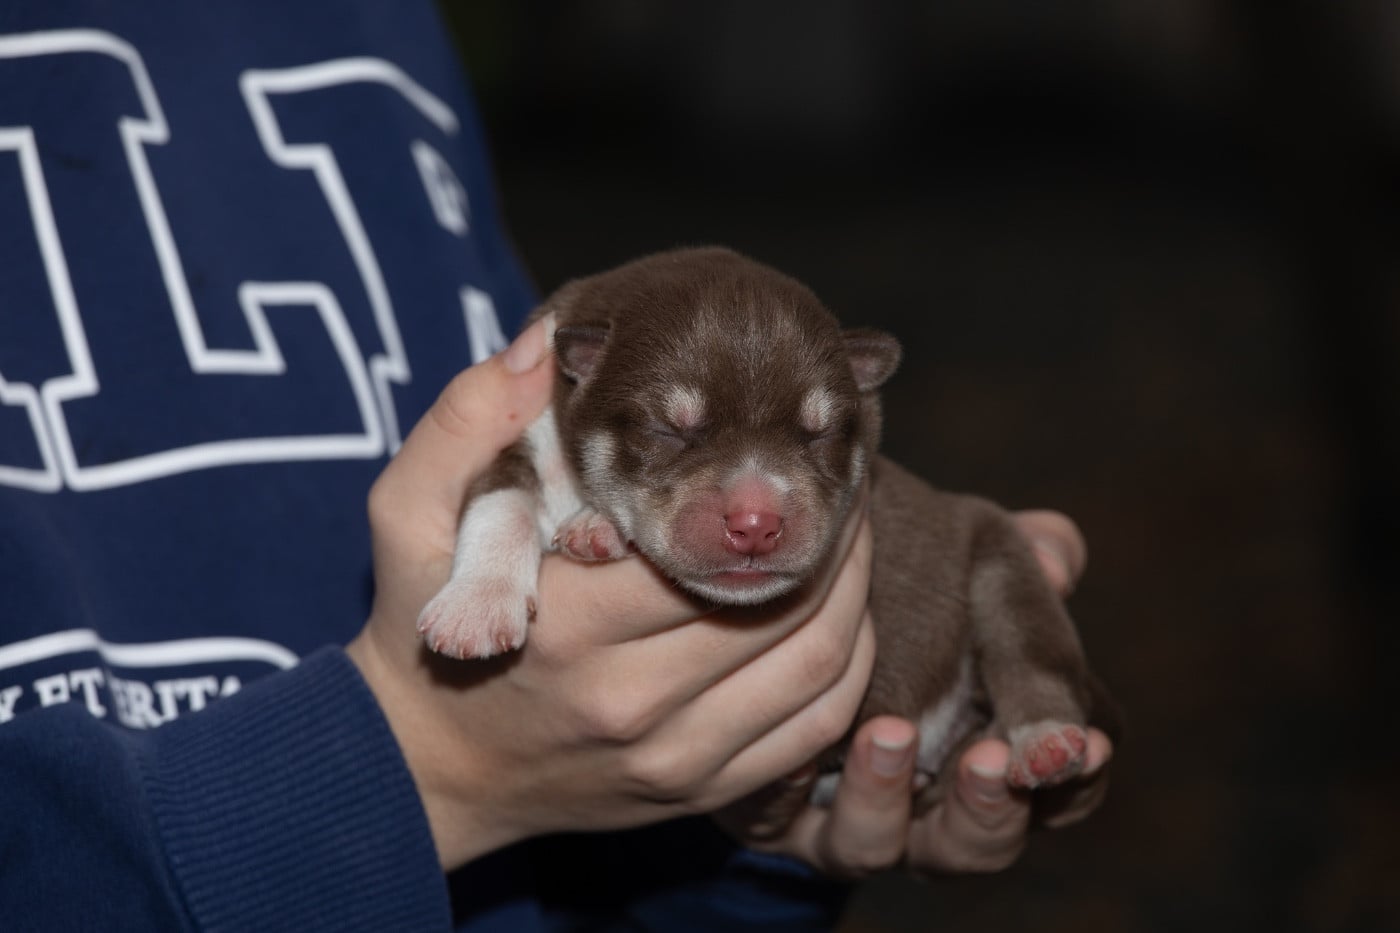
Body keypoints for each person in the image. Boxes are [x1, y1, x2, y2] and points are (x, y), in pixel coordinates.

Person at [0, 2, 1110, 930]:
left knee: (992, 564)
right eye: (679, 436)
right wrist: (427, 767)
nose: (757, 511)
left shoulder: (382, 28)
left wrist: (740, 849)